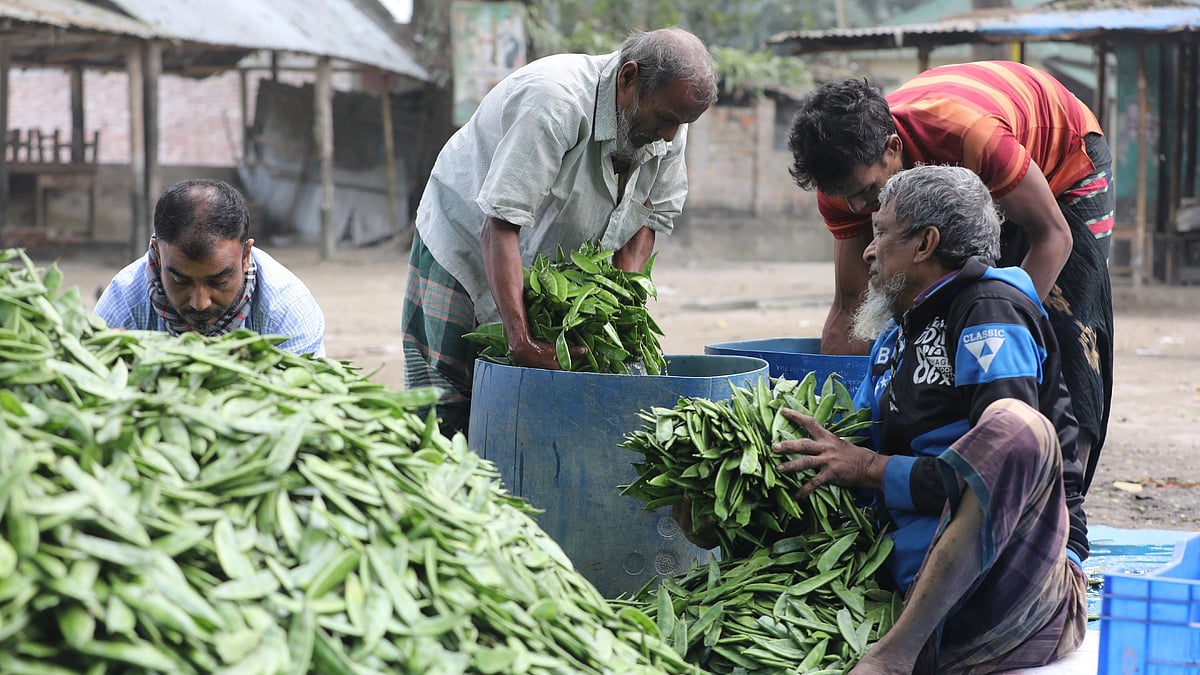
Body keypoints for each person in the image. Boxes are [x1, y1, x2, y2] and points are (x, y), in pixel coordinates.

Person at [773, 165, 1088, 672]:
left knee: (1014, 425)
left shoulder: (990, 310)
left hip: (1011, 593)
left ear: (925, 244)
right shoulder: (896, 333)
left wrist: (869, 469)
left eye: (880, 233)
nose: (868, 251)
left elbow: (1007, 465)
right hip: (901, 590)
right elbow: (848, 452)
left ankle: (896, 655)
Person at [786, 61, 1113, 491]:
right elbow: (851, 308)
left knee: (1063, 334)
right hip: (970, 183)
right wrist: (834, 433)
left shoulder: (970, 136)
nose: (861, 210)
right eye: (848, 200)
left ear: (893, 146)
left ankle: (1064, 501)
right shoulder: (845, 190)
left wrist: (1003, 322)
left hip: (1061, 168)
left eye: (869, 194)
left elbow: (1052, 238)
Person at [402, 27, 718, 436]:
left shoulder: (670, 118)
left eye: (681, 124)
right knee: (445, 402)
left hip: (545, 260)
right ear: (629, 78)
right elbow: (498, 225)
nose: (671, 135)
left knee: (515, 418)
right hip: (464, 241)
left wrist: (620, 313)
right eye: (666, 120)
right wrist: (521, 340)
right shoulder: (555, 101)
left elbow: (647, 221)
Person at [95, 178, 326, 356]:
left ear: (246, 256)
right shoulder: (123, 304)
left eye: (218, 282)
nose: (200, 303)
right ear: (156, 253)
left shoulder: (286, 311)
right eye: (180, 281)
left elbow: (306, 408)